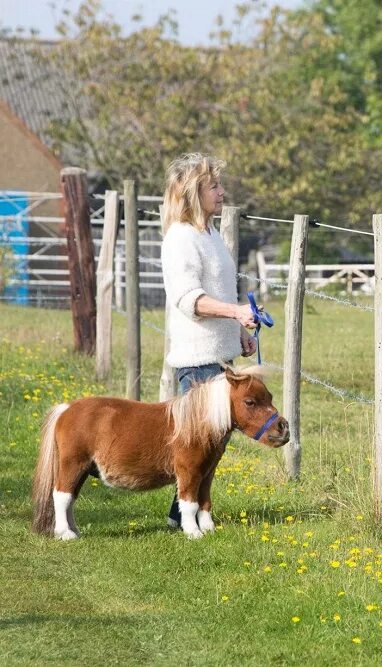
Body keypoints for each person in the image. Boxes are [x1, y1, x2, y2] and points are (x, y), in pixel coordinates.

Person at [160, 153, 256, 528]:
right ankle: (186, 516)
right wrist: (235, 312)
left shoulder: (211, 234)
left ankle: (183, 515)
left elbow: (216, 290)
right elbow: (190, 299)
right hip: (196, 360)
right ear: (192, 194)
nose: (221, 192)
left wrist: (240, 332)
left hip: (220, 357)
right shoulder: (181, 239)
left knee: (209, 447)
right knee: (197, 446)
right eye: (213, 186)